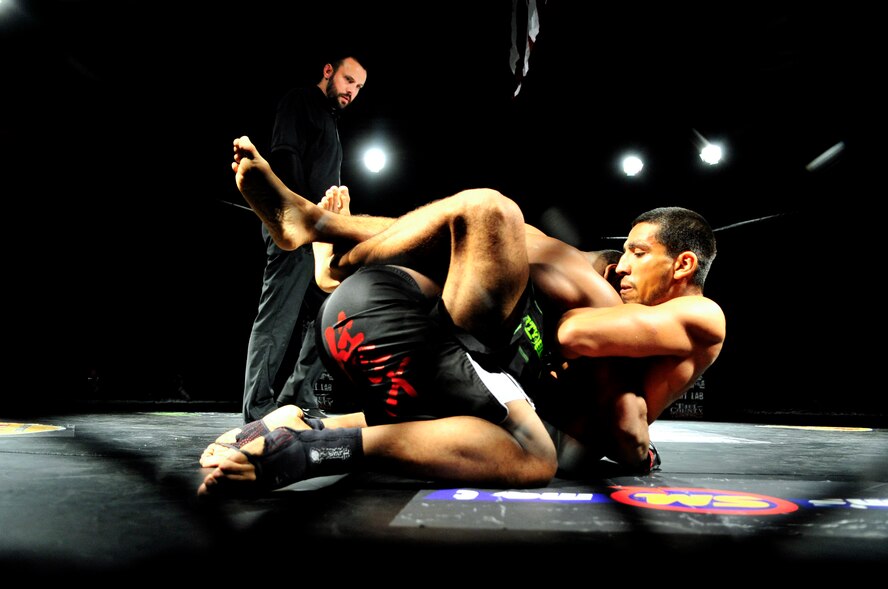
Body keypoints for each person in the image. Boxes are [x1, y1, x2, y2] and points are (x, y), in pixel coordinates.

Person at [197, 136, 725, 496]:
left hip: (538, 420)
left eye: (638, 253)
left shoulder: (699, 314)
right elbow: (572, 326)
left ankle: (309, 410)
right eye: (622, 253)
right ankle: (320, 231)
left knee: (496, 220)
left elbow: (579, 341)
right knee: (501, 228)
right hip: (456, 349)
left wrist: (638, 449)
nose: (623, 266)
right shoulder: (608, 293)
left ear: (682, 264)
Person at [242, 54, 368, 423]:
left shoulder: (331, 121)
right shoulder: (300, 101)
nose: (352, 91)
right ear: (328, 71)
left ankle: (297, 396)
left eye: (359, 87)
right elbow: (285, 156)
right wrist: (301, 215)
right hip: (296, 229)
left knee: (333, 312)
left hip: (322, 237)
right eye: (348, 80)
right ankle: (257, 407)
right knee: (278, 315)